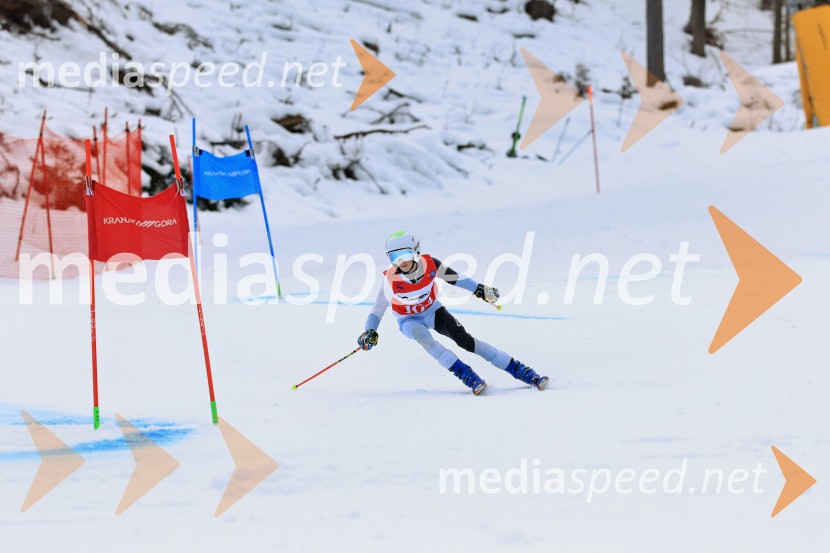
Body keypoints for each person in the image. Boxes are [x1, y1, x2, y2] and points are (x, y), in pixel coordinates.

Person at [357, 231, 549, 395]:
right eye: (394, 257)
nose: (401, 262)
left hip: (432, 311)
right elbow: (378, 309)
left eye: (405, 255)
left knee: (465, 340)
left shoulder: (430, 264)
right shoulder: (390, 279)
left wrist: (479, 289)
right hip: (408, 320)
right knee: (425, 339)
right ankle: (466, 375)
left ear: (416, 251)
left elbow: (455, 279)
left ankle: (521, 370)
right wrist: (370, 331)